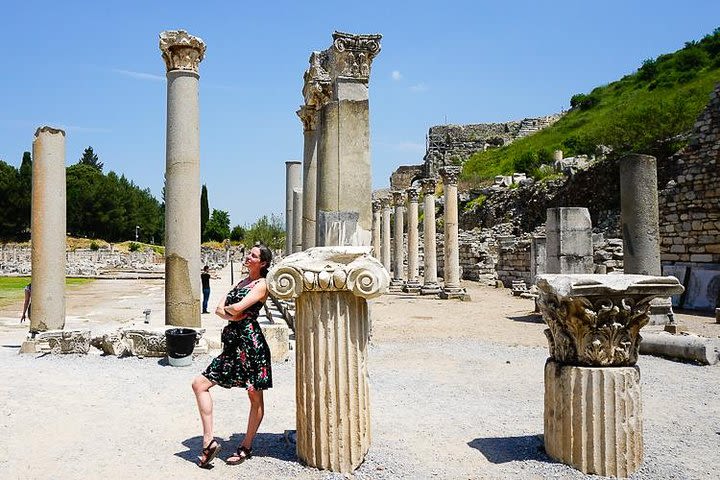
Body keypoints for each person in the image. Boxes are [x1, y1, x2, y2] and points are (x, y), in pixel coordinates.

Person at [191, 244, 273, 468]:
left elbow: (235, 308)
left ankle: (246, 446)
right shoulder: (241, 282)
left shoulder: (262, 285)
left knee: (254, 397)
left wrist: (231, 312)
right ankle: (208, 442)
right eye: (250, 254)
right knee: (199, 384)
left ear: (263, 263)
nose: (249, 257)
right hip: (231, 346)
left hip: (251, 346)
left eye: (254, 256)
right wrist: (231, 314)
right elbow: (220, 308)